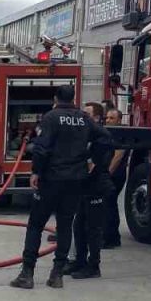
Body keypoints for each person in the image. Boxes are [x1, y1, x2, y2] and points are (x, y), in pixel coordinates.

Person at [9, 84, 103, 290]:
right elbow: (104, 137)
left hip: (51, 180)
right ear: (73, 97)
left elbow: (41, 149)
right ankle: (57, 274)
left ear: (55, 98)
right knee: (65, 225)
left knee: (35, 225)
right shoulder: (84, 118)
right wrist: (91, 159)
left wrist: (36, 172)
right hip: (75, 180)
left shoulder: (51, 117)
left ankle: (27, 274)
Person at [66, 102, 114, 279]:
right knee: (78, 227)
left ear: (97, 118)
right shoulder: (83, 135)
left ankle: (94, 266)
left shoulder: (102, 137)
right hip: (83, 188)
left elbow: (91, 165)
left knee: (92, 229)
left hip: (97, 187)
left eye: (86, 115)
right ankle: (79, 261)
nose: (82, 118)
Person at [99, 107, 128, 249]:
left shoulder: (121, 133)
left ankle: (109, 239)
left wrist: (106, 174)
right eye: (107, 118)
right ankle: (112, 237)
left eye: (112, 118)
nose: (108, 120)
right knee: (109, 205)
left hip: (115, 175)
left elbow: (118, 156)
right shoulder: (109, 133)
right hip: (110, 175)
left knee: (108, 205)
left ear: (119, 120)